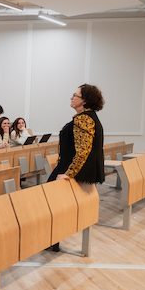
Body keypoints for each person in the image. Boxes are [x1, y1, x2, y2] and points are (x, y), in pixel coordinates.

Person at [47, 84, 105, 252]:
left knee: (52, 204)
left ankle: (51, 241)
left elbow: (83, 151)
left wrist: (68, 173)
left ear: (84, 100)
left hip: (67, 169)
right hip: (67, 167)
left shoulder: (84, 119)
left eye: (75, 95)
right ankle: (51, 241)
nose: (72, 97)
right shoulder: (89, 117)